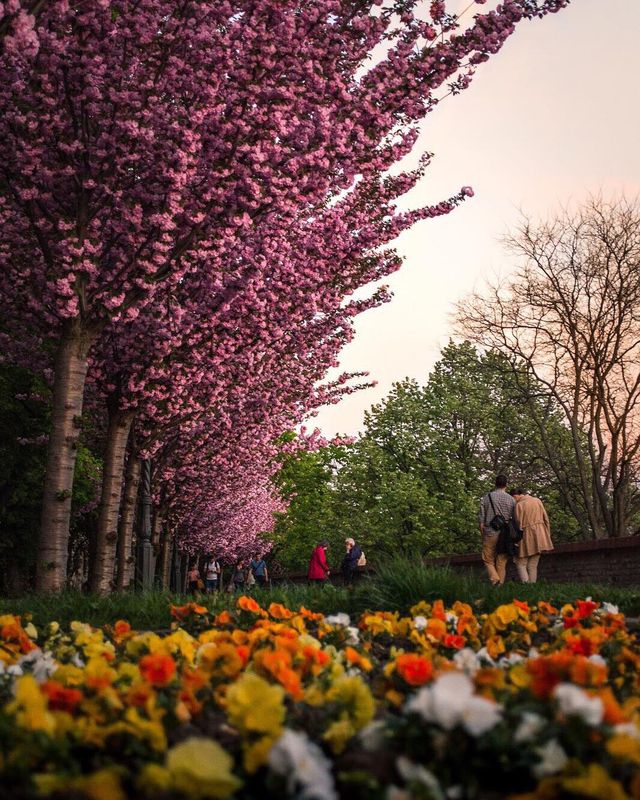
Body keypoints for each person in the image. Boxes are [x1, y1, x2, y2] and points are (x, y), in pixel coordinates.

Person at [479, 474, 516, 586]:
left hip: (491, 531)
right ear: (506, 485)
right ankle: (500, 587)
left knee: (488, 559)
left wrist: (483, 529)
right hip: (505, 533)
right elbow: (514, 517)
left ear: (495, 484)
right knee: (501, 561)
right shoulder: (511, 500)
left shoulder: (487, 497)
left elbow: (481, 518)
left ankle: (495, 580)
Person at [511, 489, 554, 583]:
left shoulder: (519, 505)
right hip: (540, 534)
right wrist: (547, 534)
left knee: (521, 563)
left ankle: (527, 586)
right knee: (533, 564)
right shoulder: (537, 500)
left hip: (526, 535)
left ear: (516, 496)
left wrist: (515, 540)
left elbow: (517, 524)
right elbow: (546, 518)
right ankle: (533, 586)